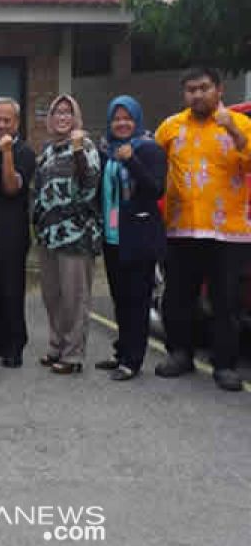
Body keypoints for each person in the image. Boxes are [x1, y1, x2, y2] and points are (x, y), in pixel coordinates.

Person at [153, 67, 251, 391]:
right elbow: (152, 165)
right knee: (179, 298)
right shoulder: (170, 127)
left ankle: (224, 365)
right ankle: (180, 353)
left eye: (204, 88)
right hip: (181, 229)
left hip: (228, 231)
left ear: (219, 90)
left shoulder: (242, 124)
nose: (197, 94)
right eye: (191, 89)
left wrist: (235, 134)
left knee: (226, 301)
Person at [97, 95, 166, 381]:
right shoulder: (108, 151)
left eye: (127, 118)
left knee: (137, 300)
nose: (122, 124)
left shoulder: (148, 149)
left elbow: (155, 190)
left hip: (138, 234)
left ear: (136, 120)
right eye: (117, 119)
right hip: (113, 236)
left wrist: (133, 161)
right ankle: (122, 351)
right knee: (120, 298)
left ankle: (133, 360)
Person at [31, 94, 101, 376]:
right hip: (49, 234)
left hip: (76, 234)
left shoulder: (85, 146)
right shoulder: (47, 151)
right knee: (52, 295)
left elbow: (89, 182)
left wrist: (76, 151)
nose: (62, 117)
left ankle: (74, 354)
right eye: (57, 112)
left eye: (67, 113)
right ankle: (57, 344)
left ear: (75, 118)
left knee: (75, 296)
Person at [0, 97, 36, 368]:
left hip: (12, 229)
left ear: (17, 123)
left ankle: (14, 344)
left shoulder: (24, 152)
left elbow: (10, 187)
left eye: (7, 120)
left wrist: (7, 153)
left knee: (11, 287)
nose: (1, 125)